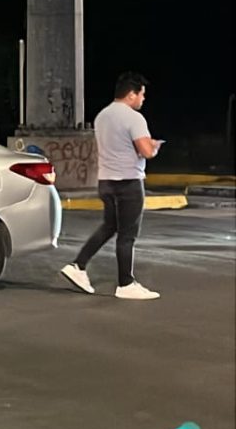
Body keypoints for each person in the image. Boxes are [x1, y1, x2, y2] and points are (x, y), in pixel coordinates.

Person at [60, 72, 164, 300]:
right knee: (127, 235)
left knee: (109, 226)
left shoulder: (102, 116)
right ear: (131, 94)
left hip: (106, 181)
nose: (143, 99)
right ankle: (126, 284)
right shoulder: (134, 118)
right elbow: (146, 151)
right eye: (142, 95)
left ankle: (77, 266)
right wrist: (154, 147)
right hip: (129, 182)